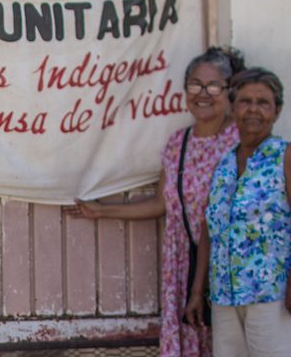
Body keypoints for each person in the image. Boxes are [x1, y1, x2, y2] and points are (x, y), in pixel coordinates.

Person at [66, 47, 244, 356]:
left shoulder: (241, 139)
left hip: (228, 264)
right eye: (194, 84)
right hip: (183, 261)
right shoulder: (179, 144)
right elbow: (164, 203)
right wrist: (102, 210)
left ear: (229, 90)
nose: (203, 93)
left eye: (213, 85)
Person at [186, 68, 291, 356]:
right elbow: (210, 228)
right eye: (245, 101)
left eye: (263, 102)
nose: (253, 109)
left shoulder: (285, 156)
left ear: (277, 111)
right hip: (225, 296)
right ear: (233, 107)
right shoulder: (224, 164)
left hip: (271, 295)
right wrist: (198, 291)